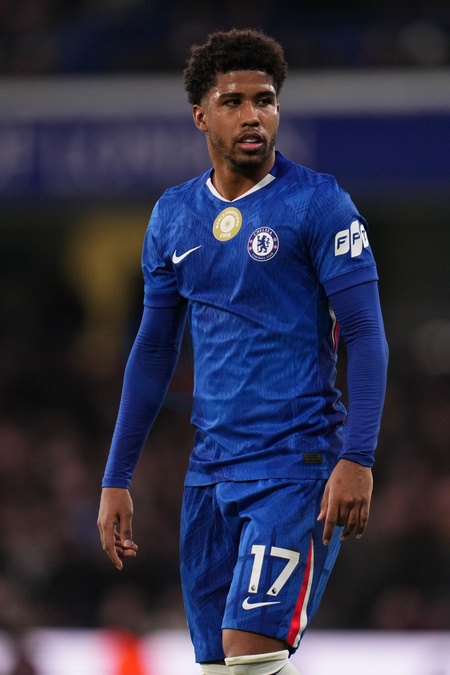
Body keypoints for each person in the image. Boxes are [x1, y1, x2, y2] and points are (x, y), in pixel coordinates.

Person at [97, 28, 389, 675]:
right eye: (233, 101)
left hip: (296, 466)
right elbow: (153, 352)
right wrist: (117, 477)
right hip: (210, 474)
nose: (253, 115)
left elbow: (366, 334)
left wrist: (358, 457)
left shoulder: (320, 204)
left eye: (266, 100)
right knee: (219, 669)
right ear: (201, 115)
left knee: (251, 657)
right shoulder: (174, 215)